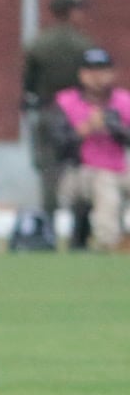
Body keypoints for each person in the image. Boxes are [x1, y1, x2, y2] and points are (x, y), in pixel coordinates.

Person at [22, 0, 92, 225]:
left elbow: (28, 83)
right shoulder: (84, 44)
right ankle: (79, 229)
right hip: (77, 113)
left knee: (48, 170)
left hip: (46, 109)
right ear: (71, 12)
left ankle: (49, 225)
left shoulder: (39, 44)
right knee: (80, 166)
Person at [49, 47, 130, 249]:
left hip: (120, 169)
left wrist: (114, 127)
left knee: (109, 180)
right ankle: (108, 242)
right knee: (105, 183)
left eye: (102, 70)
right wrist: (85, 129)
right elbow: (58, 146)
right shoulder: (65, 102)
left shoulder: (123, 101)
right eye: (91, 70)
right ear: (82, 74)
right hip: (77, 174)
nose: (97, 77)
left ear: (111, 73)